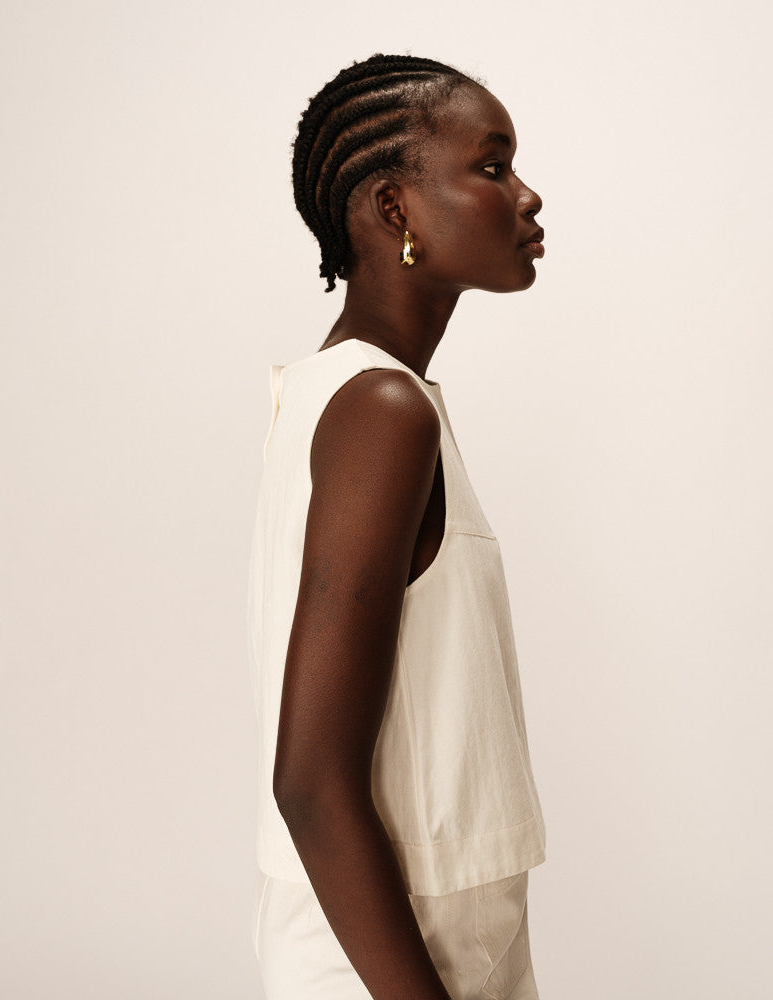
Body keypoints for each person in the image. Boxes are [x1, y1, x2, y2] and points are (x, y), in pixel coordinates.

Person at [247, 53, 547, 1000]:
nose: (528, 196)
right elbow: (310, 782)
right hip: (390, 967)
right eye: (492, 166)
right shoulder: (382, 407)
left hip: (413, 949)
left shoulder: (349, 395)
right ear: (395, 208)